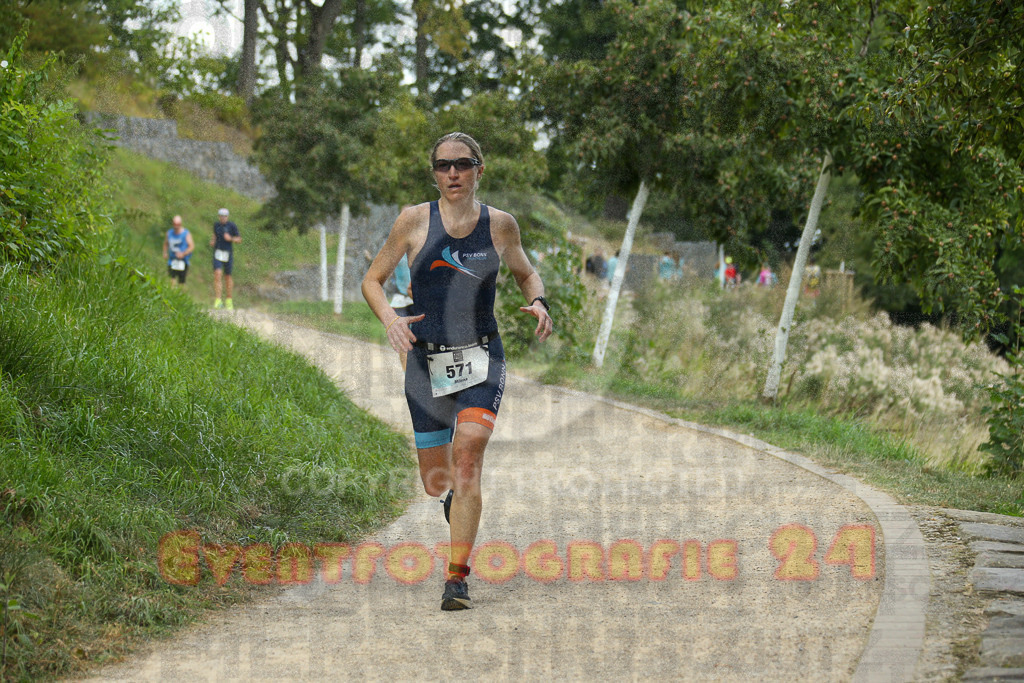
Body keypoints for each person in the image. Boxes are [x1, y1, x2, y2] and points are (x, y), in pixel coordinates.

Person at [362, 132, 553, 611]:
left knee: (468, 454)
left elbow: (526, 272)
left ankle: (456, 580)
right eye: (444, 165)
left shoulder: (500, 226)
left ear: (478, 170)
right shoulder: (412, 221)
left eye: (463, 165)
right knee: (437, 481)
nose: (453, 174)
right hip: (425, 360)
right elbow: (373, 280)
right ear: (434, 172)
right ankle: (453, 504)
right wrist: (390, 319)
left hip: (482, 356)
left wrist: (538, 300)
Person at [210, 208, 242, 310]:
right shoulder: (216, 225)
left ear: (227, 217)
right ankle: (218, 300)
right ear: (219, 216)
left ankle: (229, 299)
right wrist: (213, 241)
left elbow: (239, 239)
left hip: (227, 253)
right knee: (217, 274)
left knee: (228, 277)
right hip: (218, 253)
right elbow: (215, 234)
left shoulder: (231, 226)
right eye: (221, 216)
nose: (223, 218)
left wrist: (231, 239)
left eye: (225, 216)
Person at [163, 215, 195, 287]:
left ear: (181, 224)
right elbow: (165, 243)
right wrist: (165, 252)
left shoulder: (186, 234)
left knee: (181, 282)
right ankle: (171, 295)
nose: (176, 226)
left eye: (178, 225)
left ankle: (180, 296)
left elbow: (191, 246)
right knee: (171, 279)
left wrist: (183, 254)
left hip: (183, 261)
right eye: (174, 224)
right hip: (172, 260)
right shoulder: (169, 233)